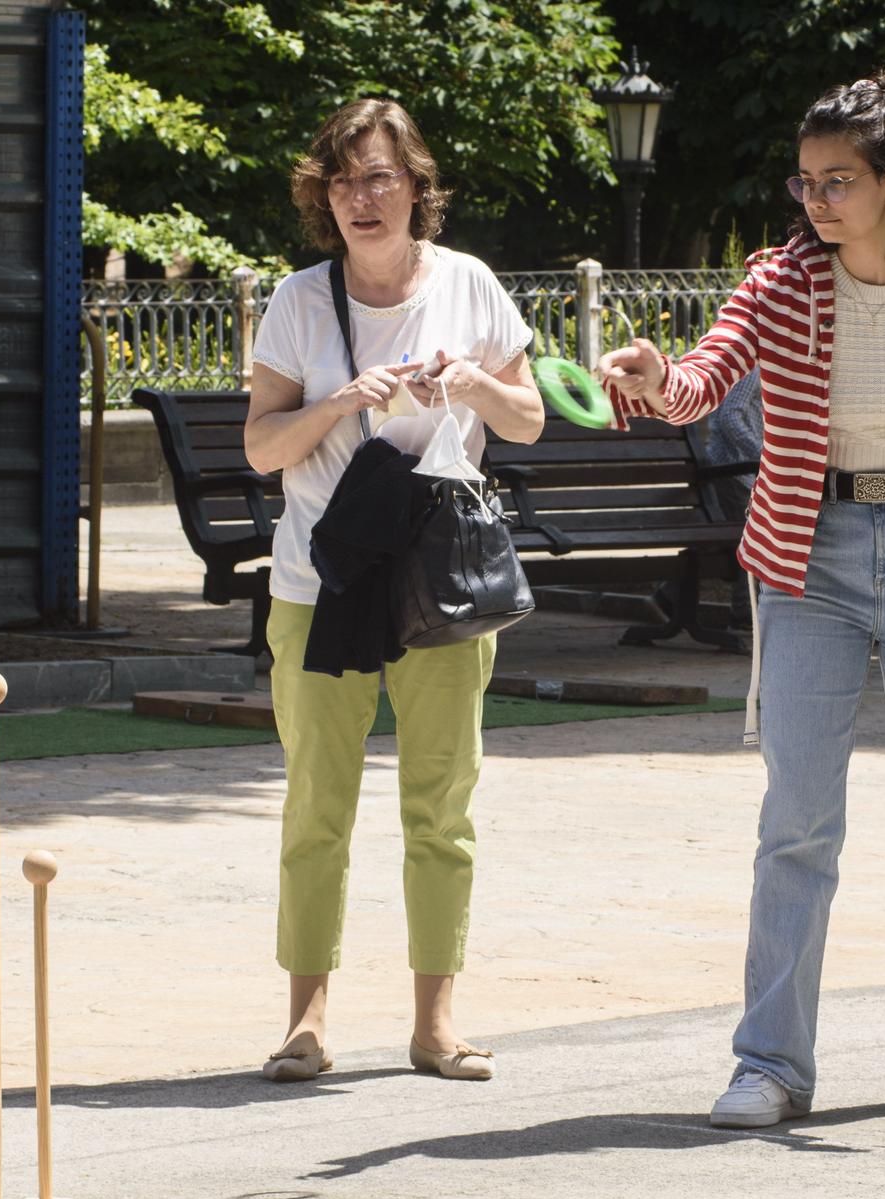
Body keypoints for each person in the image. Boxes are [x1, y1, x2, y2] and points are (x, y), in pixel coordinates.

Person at [598, 67, 885, 1126]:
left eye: (837, 181)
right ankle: (768, 1063)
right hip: (810, 558)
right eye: (804, 182)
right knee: (795, 824)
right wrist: (648, 375)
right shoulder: (777, 283)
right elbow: (702, 382)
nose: (815, 202)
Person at [242, 98, 544, 1084]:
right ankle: (304, 1020)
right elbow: (260, 447)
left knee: (439, 802)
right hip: (320, 580)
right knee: (314, 803)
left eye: (377, 177)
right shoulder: (297, 300)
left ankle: (434, 1023)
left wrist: (468, 386)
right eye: (340, 181)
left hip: (440, 580)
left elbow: (530, 419)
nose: (359, 199)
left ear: (416, 186)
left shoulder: (469, 286)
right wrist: (336, 402)